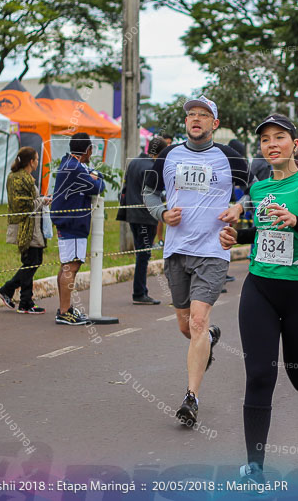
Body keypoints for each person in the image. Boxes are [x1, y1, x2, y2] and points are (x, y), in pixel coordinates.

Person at [218, 114, 298, 488]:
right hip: (261, 288)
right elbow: (263, 232)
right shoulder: (257, 189)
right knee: (259, 375)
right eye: (266, 139)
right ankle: (255, 467)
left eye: (280, 138)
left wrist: (296, 221)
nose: (272, 144)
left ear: (295, 146)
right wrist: (237, 237)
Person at [144, 95, 251, 427]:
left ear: (214, 124)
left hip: (213, 250)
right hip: (177, 250)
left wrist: (239, 207)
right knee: (185, 324)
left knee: (197, 322)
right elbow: (148, 192)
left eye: (204, 115)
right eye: (191, 114)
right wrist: (161, 212)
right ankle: (210, 337)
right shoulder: (168, 155)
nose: (196, 119)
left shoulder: (230, 157)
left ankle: (191, 398)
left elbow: (254, 191)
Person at [50, 133, 105, 325]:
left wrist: (95, 177)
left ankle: (65, 309)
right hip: (71, 221)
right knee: (71, 266)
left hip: (71, 221)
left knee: (68, 264)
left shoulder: (71, 164)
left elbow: (97, 181)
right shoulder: (74, 168)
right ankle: (64, 311)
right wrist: (96, 176)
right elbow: (98, 185)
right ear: (88, 150)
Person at [0, 147, 50, 314]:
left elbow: (30, 201)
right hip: (26, 227)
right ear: (31, 162)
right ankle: (16, 295)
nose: (37, 162)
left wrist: (41, 201)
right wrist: (41, 201)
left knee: (33, 262)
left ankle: (24, 300)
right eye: (36, 159)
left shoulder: (24, 178)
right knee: (31, 262)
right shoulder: (18, 179)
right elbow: (23, 205)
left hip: (33, 226)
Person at [119, 137, 166, 305]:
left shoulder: (134, 163)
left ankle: (141, 291)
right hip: (146, 216)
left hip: (132, 214)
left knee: (141, 252)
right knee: (143, 255)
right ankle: (139, 292)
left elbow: (125, 188)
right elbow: (155, 193)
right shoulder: (152, 167)